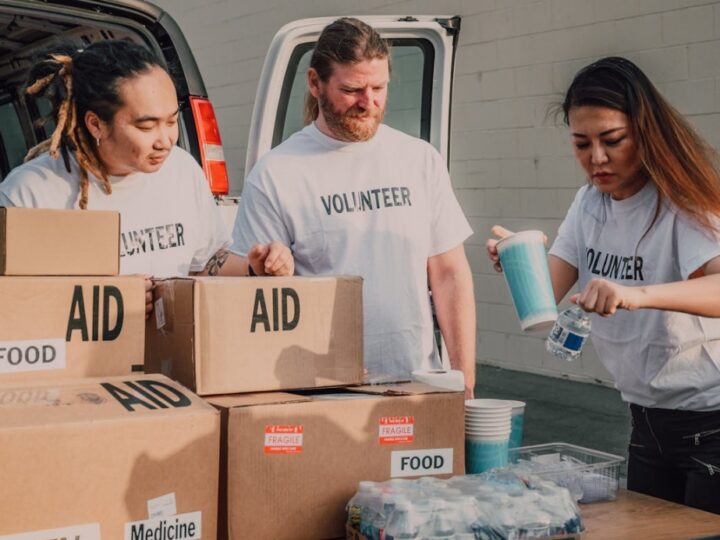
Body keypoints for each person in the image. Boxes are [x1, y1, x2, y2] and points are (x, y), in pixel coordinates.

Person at [487, 57, 720, 513]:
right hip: (645, 419)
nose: (597, 159)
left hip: (710, 423)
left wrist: (636, 295)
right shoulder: (590, 201)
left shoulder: (680, 201)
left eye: (612, 140)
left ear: (645, 132)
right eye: (581, 144)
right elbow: (544, 299)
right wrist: (517, 260)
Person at [231, 18, 476, 396]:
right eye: (352, 89)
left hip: (418, 384)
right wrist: (264, 269)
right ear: (315, 83)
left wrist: (464, 381)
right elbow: (260, 303)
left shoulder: (419, 160)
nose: (369, 103)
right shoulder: (276, 174)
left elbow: (449, 274)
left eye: (379, 87)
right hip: (321, 391)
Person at [0, 41, 293, 314]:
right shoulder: (30, 194)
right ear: (96, 124)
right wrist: (102, 303)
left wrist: (255, 268)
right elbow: (13, 306)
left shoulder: (182, 170)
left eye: (172, 121)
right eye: (147, 126)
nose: (165, 140)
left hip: (168, 362)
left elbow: (202, 267)